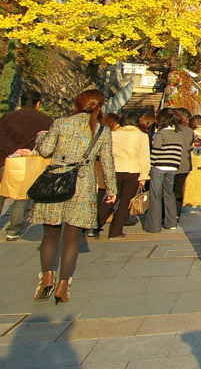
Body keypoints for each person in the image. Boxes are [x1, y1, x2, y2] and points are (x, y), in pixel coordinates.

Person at [29, 89, 116, 303]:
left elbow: (46, 150)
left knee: (50, 234)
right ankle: (63, 285)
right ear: (99, 106)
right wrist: (112, 189)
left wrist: (41, 136)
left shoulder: (61, 123)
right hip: (83, 183)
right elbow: (107, 162)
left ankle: (46, 278)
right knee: (72, 238)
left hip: (56, 180)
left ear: (76, 104)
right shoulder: (102, 131)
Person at [0, 90, 53, 241]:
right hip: (28, 161)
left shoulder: (7, 117)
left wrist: (13, 150)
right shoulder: (46, 120)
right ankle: (14, 230)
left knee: (1, 192)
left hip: (5, 159)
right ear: (38, 104)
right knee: (21, 196)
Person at [95, 111, 150, 239]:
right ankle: (115, 231)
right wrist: (144, 176)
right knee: (124, 203)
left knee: (110, 199)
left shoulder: (113, 134)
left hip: (114, 170)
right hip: (133, 170)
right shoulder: (142, 136)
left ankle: (94, 225)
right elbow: (144, 158)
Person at [144, 108, 185, 233]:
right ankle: (171, 222)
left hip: (159, 166)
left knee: (155, 195)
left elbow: (155, 152)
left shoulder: (161, 134)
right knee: (169, 194)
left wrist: (149, 166)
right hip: (172, 167)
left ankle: (154, 226)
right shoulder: (179, 134)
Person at [172, 109, 194, 220]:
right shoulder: (189, 131)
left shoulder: (170, 129)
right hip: (184, 163)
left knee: (168, 189)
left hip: (169, 163)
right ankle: (176, 214)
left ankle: (166, 213)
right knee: (178, 189)